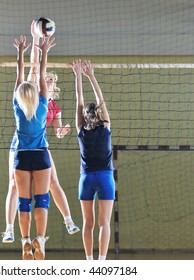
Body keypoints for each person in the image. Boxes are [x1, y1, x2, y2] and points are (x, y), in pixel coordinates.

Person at [2, 21, 79, 244]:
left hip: (39, 145)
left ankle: (68, 220)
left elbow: (59, 133)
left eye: (51, 81)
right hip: (23, 144)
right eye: (46, 79)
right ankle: (9, 229)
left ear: (54, 86)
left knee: (53, 182)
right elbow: (35, 67)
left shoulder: (52, 107)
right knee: (14, 184)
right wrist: (36, 38)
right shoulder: (37, 95)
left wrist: (64, 131)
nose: (47, 80)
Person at [12, 33, 55, 260]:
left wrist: (20, 51)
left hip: (21, 156)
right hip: (40, 156)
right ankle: (40, 239)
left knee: (24, 201)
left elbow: (20, 76)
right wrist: (43, 50)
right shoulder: (42, 107)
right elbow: (43, 74)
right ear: (36, 95)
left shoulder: (18, 108)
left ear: (19, 96)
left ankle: (25, 241)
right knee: (42, 199)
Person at [70, 59, 115, 260]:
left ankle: (89, 263)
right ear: (98, 114)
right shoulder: (105, 127)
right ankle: (101, 264)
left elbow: (79, 99)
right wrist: (91, 76)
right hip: (105, 178)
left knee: (88, 223)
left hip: (86, 178)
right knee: (104, 222)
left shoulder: (81, 130)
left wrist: (77, 75)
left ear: (84, 117)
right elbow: (101, 98)